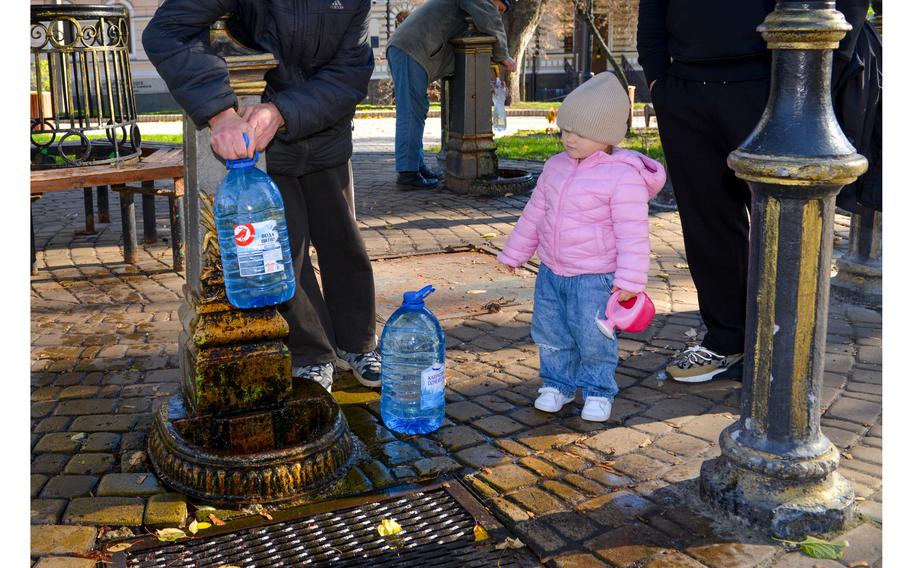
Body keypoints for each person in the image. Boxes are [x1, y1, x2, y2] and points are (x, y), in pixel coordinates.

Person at [143, 0, 381, 392]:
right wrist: (220, 111)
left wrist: (282, 111)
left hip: (324, 128)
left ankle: (358, 343)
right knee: (286, 250)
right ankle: (311, 352)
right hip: (258, 139)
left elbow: (351, 72)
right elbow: (166, 32)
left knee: (344, 241)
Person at [637, 0, 871, 384]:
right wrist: (658, 78)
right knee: (707, 223)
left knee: (786, 224)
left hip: (773, 83)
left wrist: (818, 74)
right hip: (685, 89)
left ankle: (786, 353)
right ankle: (726, 341)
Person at [497, 73, 666, 422]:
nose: (568, 138)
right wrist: (515, 252)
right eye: (564, 130)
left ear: (606, 136)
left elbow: (632, 233)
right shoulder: (554, 166)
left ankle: (598, 390)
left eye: (579, 133)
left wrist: (630, 281)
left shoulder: (623, 176)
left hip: (596, 277)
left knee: (594, 337)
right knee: (550, 331)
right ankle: (557, 384)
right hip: (551, 271)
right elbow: (535, 213)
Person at [387, 0, 517, 189]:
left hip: (410, 49)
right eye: (499, 7)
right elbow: (490, 19)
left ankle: (415, 165)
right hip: (410, 49)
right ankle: (408, 174)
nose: (498, 12)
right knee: (411, 112)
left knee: (417, 110)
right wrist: (504, 56)